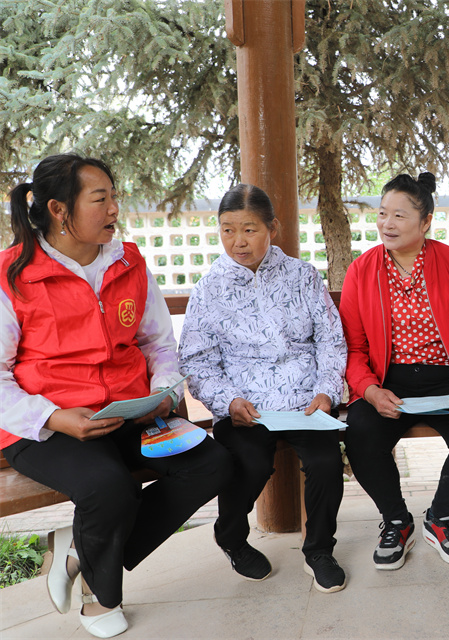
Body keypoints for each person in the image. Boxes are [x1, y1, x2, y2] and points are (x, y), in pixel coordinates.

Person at [0, 154, 231, 638]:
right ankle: (99, 600)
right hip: (46, 425)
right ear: (59, 210)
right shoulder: (11, 275)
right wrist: (55, 417)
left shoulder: (129, 262)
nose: (114, 210)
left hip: (130, 412)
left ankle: (78, 550)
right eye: (100, 199)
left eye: (114, 198)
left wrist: (163, 391)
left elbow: (158, 344)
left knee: (211, 464)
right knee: (110, 487)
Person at [178, 184, 348, 592]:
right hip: (245, 406)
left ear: (273, 228)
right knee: (249, 463)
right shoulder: (209, 289)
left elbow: (330, 339)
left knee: (326, 462)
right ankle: (232, 538)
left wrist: (326, 391)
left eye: (249, 229)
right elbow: (197, 361)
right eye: (228, 230)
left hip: (305, 401)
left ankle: (319, 550)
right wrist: (228, 401)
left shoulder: (303, 276)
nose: (238, 241)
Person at [340, 172, 449, 569]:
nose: (387, 224)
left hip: (448, 380)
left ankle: (441, 517)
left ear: (425, 221)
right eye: (382, 214)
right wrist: (370, 390)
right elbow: (353, 349)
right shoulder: (361, 270)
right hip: (387, 381)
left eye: (399, 215)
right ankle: (397, 520)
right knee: (360, 435)